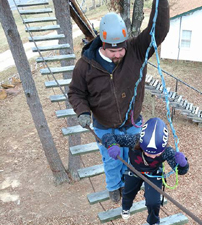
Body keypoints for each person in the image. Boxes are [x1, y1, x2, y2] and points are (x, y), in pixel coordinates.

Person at [68, 0, 170, 203]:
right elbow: (75, 92)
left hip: (132, 123)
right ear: (102, 45)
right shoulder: (85, 65)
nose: (118, 55)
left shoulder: (136, 50)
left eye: (120, 50)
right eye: (112, 51)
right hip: (104, 126)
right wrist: (83, 112)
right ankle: (114, 187)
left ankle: (127, 181)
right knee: (112, 160)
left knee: (133, 156)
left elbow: (158, 31)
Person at [102, 118, 189, 225]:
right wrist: (112, 145)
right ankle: (126, 207)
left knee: (154, 202)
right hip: (134, 171)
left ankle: (153, 221)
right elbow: (107, 136)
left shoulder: (167, 151)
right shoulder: (134, 140)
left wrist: (183, 164)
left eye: (156, 154)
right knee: (128, 192)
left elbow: (180, 171)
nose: (152, 156)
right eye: (148, 153)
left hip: (153, 173)